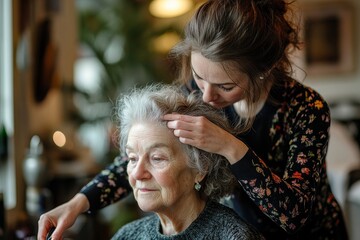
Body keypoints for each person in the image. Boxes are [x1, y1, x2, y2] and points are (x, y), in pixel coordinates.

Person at [38, 0, 348, 239]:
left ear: (263, 71)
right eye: (200, 77)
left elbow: (293, 216)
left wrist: (230, 146)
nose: (207, 96)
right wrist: (79, 203)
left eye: (226, 86)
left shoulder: (306, 109)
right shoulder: (193, 93)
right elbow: (145, 155)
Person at [111, 84, 263, 239]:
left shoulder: (234, 236)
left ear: (200, 168)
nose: (137, 173)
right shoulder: (126, 235)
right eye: (132, 158)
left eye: (157, 158)